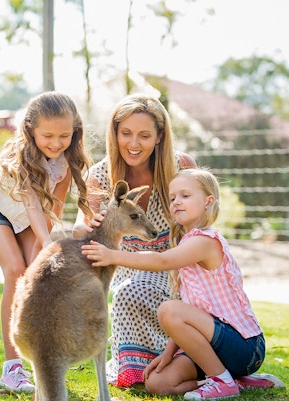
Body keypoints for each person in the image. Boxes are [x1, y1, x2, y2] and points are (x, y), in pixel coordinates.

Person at [82, 168, 284, 400]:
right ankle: (234, 380)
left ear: (208, 201)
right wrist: (168, 354)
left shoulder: (205, 240)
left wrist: (113, 255)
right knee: (158, 383)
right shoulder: (186, 241)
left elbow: (162, 260)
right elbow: (193, 309)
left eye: (185, 196)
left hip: (244, 348)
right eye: (172, 197)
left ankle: (222, 381)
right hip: (215, 346)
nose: (176, 202)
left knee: (169, 309)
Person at [72, 93, 196, 387]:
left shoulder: (180, 166)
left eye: (144, 135)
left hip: (174, 269)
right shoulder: (101, 175)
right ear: (114, 134)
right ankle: (142, 368)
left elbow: (199, 223)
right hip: (125, 267)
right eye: (125, 133)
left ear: (159, 137)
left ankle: (182, 363)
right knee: (129, 290)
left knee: (134, 291)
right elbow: (80, 224)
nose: (133, 143)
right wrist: (88, 224)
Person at [0, 91, 93, 393]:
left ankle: (43, 361)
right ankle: (12, 367)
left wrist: (47, 247)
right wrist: (50, 243)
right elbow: (29, 205)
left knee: (34, 275)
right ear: (30, 130)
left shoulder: (67, 162)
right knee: (15, 271)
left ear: (74, 131)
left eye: (64, 136)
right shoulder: (23, 157)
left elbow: (51, 210)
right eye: (48, 136)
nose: (56, 143)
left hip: (34, 217)